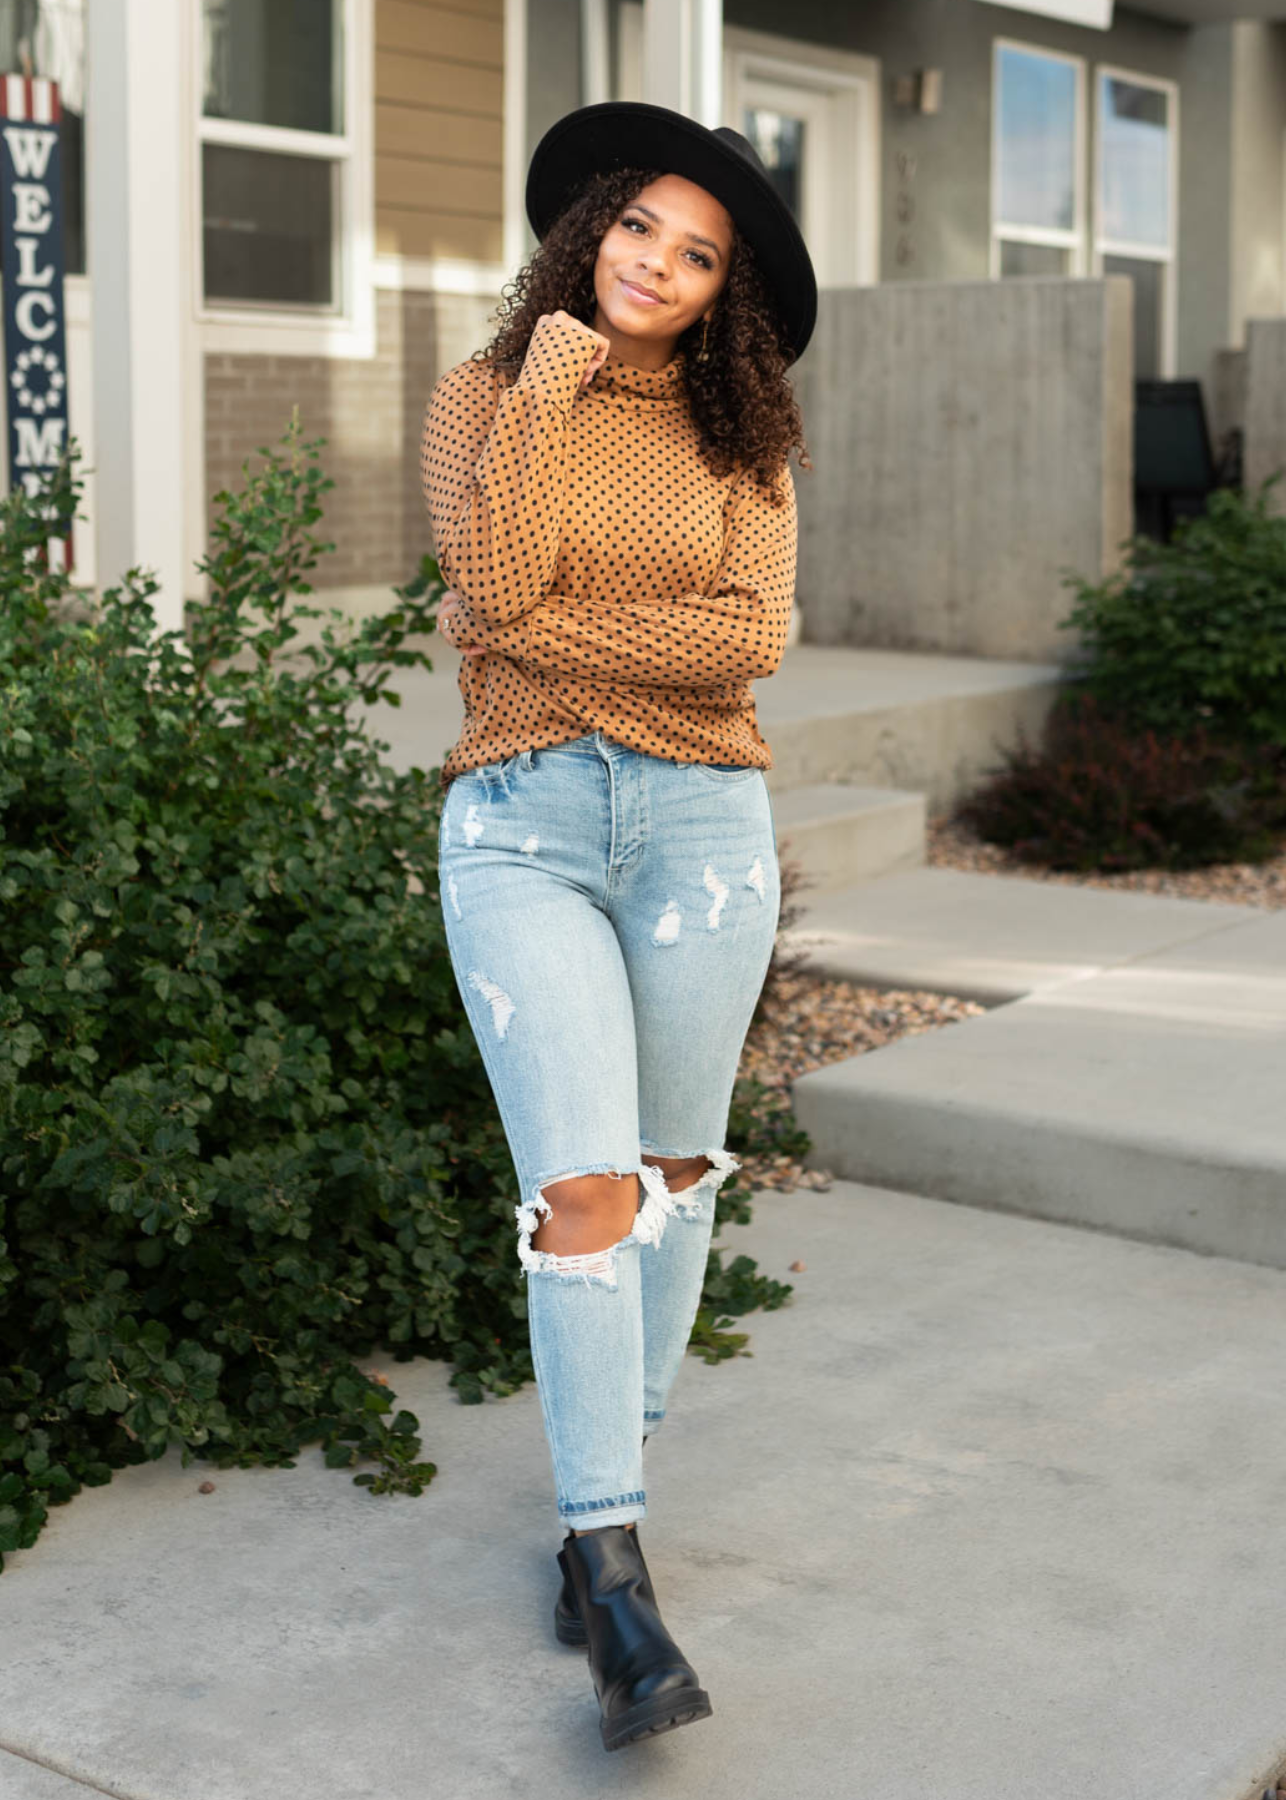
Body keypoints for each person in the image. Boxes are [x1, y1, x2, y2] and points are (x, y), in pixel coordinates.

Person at [420, 99, 817, 1754]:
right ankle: (608, 1561)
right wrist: (559, 383)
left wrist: (547, 629)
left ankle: (620, 1489)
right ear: (586, 233)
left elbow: (754, 640)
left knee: (665, 1173)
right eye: (637, 227)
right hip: (519, 826)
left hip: (705, 833)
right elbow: (491, 578)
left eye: (697, 250)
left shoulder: (744, 442)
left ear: (727, 290)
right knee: (581, 1194)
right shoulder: (484, 398)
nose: (658, 261)